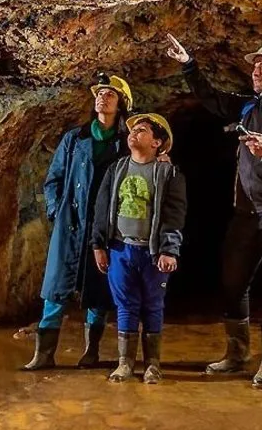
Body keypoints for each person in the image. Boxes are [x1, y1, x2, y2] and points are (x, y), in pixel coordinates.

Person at [164, 34, 262, 389]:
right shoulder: (249, 107)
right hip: (246, 212)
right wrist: (188, 63)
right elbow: (212, 99)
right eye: (254, 65)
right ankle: (237, 354)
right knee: (233, 282)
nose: (255, 69)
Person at [22, 73, 133, 371]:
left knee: (98, 290)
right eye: (100, 93)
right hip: (70, 225)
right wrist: (58, 212)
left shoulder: (125, 144)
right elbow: (53, 180)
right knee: (55, 288)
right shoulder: (75, 138)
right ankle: (43, 355)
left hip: (105, 229)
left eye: (110, 94)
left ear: (121, 103)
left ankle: (91, 352)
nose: (103, 97)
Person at [91, 113, 186, 384]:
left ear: (158, 143)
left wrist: (170, 249)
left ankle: (152, 364)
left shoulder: (169, 174)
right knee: (125, 305)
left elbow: (174, 214)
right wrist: (98, 244)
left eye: (142, 130)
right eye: (133, 130)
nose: (134, 134)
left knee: (153, 306)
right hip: (121, 249)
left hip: (152, 251)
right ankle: (125, 363)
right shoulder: (117, 169)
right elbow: (102, 208)